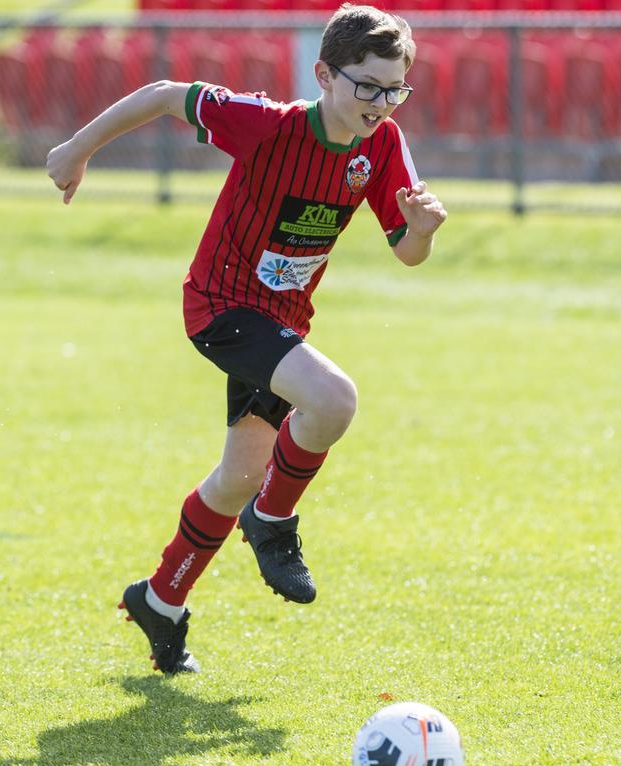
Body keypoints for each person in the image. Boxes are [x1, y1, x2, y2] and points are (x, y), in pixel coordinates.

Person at [46, 3, 447, 675]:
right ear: (324, 74)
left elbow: (406, 251)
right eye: (367, 85)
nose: (381, 102)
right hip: (221, 307)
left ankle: (161, 599)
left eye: (395, 87)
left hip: (282, 321)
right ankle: (274, 521)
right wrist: (75, 149)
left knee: (237, 478)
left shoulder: (381, 146)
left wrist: (424, 232)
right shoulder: (268, 124)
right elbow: (163, 95)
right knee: (335, 402)